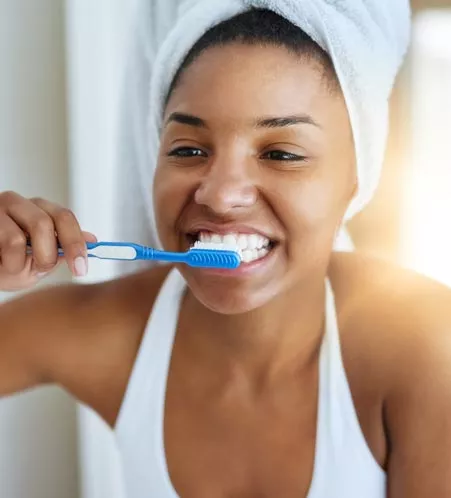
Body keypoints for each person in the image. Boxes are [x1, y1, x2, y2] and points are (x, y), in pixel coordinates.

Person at [1, 6, 451, 498]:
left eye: (281, 153)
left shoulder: (424, 347)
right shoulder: (115, 335)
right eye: (188, 150)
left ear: (357, 177)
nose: (220, 194)